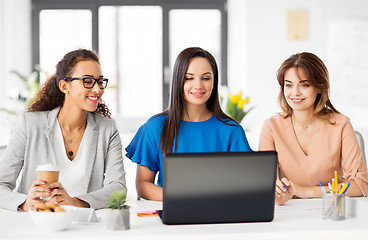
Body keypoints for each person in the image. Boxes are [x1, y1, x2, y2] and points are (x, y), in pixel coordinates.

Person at [0, 49, 126, 211]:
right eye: (87, 81)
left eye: (100, 82)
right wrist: (26, 203)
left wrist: (75, 202)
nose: (97, 90)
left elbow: (118, 188)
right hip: (36, 224)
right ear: (64, 86)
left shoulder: (107, 129)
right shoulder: (30, 124)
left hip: (85, 226)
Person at [126, 47, 252, 201]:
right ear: (178, 81)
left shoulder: (232, 130)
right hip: (173, 215)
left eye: (206, 78)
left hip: (219, 216)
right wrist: (183, 199)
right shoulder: (155, 127)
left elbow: (247, 183)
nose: (198, 85)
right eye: (189, 78)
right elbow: (143, 185)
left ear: (214, 82)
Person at [259, 52, 368, 205]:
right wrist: (276, 191)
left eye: (304, 85)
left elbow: (361, 185)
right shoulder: (271, 126)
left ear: (319, 87)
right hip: (290, 211)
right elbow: (264, 184)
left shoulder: (341, 124)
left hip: (332, 209)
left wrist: (307, 191)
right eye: (289, 85)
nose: (295, 93)